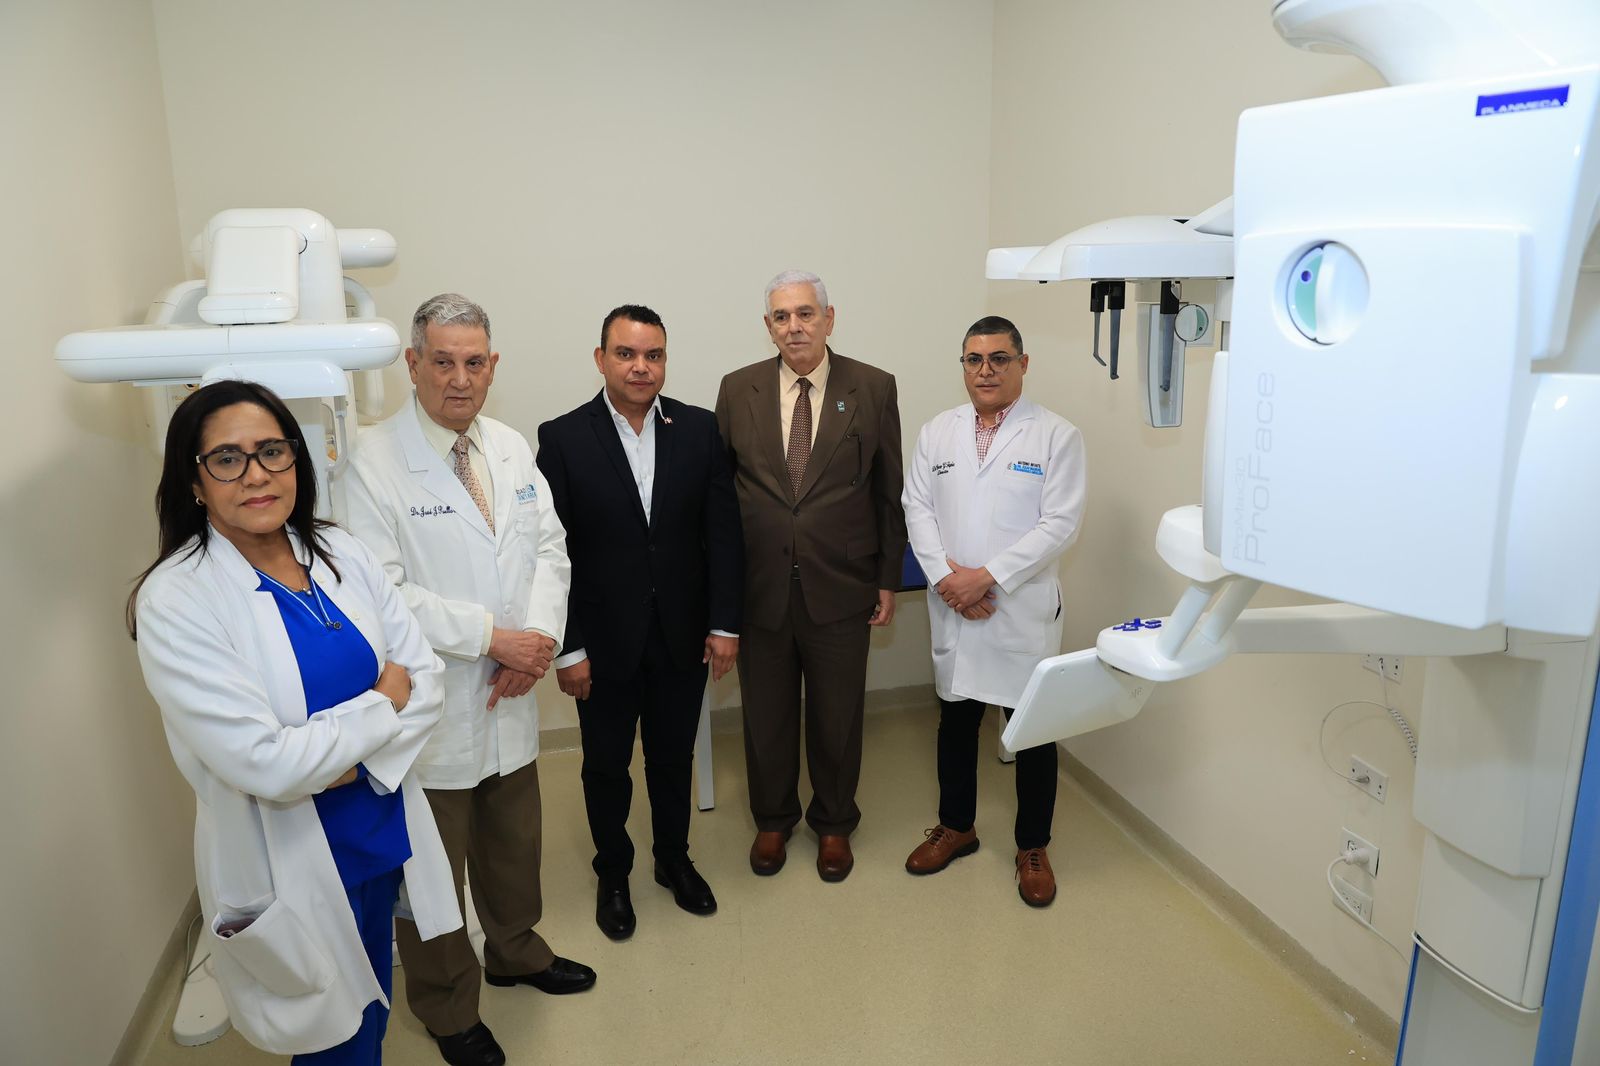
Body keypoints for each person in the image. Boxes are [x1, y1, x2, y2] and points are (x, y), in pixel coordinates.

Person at [131, 380, 460, 1064]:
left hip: (377, 831)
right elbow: (268, 765)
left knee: (372, 1009)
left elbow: (425, 678)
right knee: (332, 1038)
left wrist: (339, 761)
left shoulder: (339, 550)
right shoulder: (176, 600)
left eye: (272, 451)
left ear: (295, 460)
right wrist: (381, 705)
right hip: (288, 862)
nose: (256, 474)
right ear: (193, 481)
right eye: (227, 458)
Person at [342, 294, 593, 1066]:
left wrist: (537, 641)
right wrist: (493, 639)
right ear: (412, 365)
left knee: (514, 841)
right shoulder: (370, 463)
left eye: (474, 362)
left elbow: (550, 550)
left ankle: (515, 950)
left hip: (510, 689)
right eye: (443, 362)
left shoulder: (509, 448)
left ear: (492, 367)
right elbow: (382, 594)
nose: (460, 378)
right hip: (434, 707)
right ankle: (448, 1006)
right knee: (431, 872)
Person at [536, 304, 743, 940]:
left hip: (682, 635)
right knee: (605, 766)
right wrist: (568, 649)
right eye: (626, 354)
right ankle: (614, 872)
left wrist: (725, 624)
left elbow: (722, 535)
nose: (640, 367)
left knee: (672, 758)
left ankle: (673, 859)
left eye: (653, 355)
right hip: (602, 644)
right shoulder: (563, 438)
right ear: (601, 359)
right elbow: (551, 552)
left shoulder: (699, 429)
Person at [713, 269, 907, 882]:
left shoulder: (872, 387)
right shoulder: (737, 389)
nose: (793, 326)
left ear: (828, 318)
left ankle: (834, 823)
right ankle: (773, 819)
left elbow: (889, 491)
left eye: (805, 313)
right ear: (767, 326)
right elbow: (719, 498)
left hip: (843, 584)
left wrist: (887, 578)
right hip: (760, 587)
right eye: (781, 316)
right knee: (765, 715)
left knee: (837, 715)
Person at [901, 315, 1087, 907]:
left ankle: (1033, 846)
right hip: (956, 605)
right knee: (955, 722)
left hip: (1019, 607)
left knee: (1032, 730)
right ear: (963, 366)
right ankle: (956, 826)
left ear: (1023, 364)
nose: (986, 371)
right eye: (974, 359)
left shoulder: (1056, 436)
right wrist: (947, 579)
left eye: (999, 359)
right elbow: (916, 508)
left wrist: (985, 579)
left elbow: (1059, 524)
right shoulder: (938, 432)